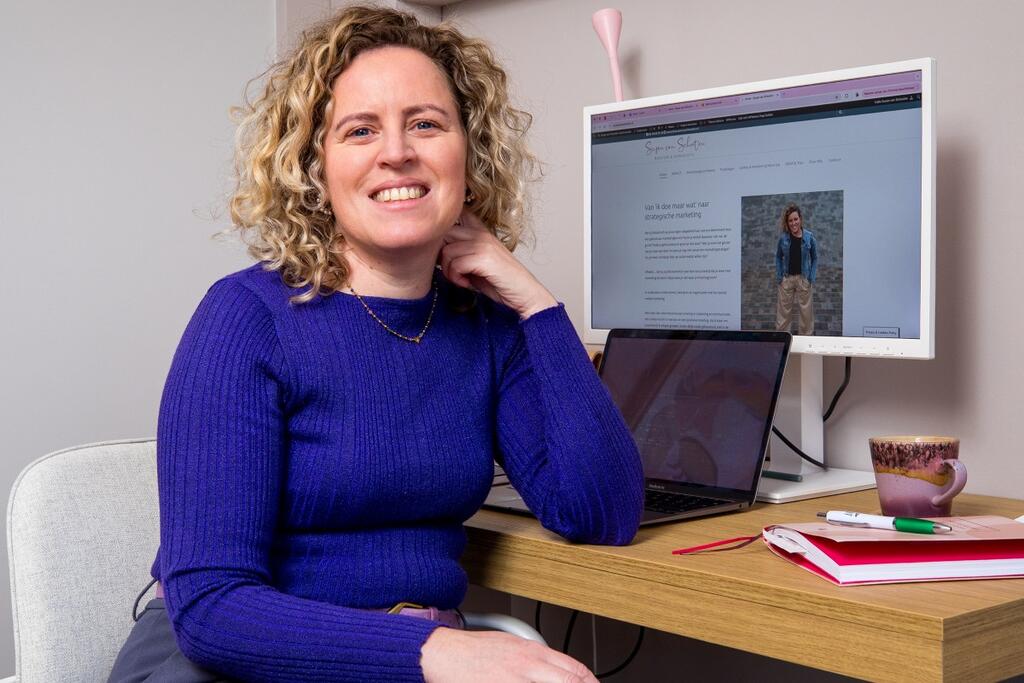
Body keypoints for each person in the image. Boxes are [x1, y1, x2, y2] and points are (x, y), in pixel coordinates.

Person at [107, 6, 644, 683]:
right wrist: (436, 651)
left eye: (425, 123)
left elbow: (603, 512)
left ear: (468, 155)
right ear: (315, 169)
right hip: (238, 660)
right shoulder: (245, 317)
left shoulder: (486, 324)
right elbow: (212, 606)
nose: (397, 151)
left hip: (408, 659)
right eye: (360, 130)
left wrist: (535, 303)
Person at [774, 203, 818, 335]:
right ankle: (782, 339)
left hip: (803, 279)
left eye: (796, 219)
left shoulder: (809, 237)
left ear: (800, 219)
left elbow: (814, 258)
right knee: (783, 315)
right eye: (790, 220)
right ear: (787, 223)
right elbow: (778, 257)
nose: (794, 223)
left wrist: (811, 277)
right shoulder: (783, 238)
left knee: (806, 315)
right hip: (787, 279)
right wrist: (779, 276)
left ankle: (805, 340)